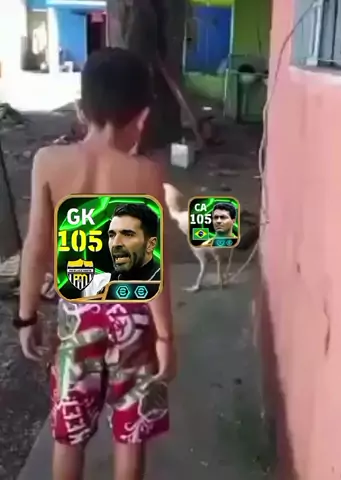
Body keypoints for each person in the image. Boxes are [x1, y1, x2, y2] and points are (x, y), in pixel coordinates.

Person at [16, 47, 176, 480]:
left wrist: (27, 317)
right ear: (142, 117)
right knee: (131, 434)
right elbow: (152, 267)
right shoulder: (146, 174)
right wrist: (165, 336)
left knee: (69, 435)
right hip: (133, 322)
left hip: (76, 323)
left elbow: (36, 247)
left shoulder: (49, 163)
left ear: (80, 109)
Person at [82, 203, 161, 297]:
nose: (116, 243)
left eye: (128, 234)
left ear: (150, 244)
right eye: (112, 235)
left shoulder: (169, 285)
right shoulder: (96, 286)